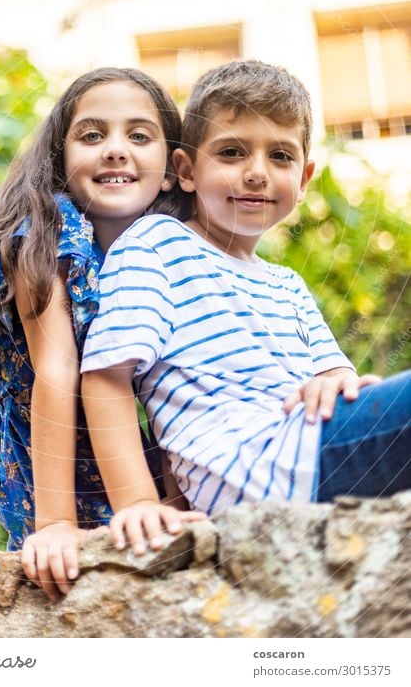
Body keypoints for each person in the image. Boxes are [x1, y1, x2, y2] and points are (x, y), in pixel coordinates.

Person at [81, 59, 411, 555]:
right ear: (186, 170)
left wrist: (332, 380)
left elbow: (335, 375)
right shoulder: (157, 244)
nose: (257, 173)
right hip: (261, 469)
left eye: (280, 157)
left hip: (312, 447)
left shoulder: (288, 284)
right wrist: (136, 503)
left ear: (303, 180)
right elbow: (106, 377)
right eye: (232, 152)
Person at [0, 66, 197, 597]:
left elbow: (179, 386)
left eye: (139, 135)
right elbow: (56, 371)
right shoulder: (46, 235)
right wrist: (55, 524)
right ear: (60, 159)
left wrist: (180, 504)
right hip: (54, 468)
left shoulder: (177, 248)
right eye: (91, 134)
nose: (115, 149)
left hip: (137, 464)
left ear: (174, 168)